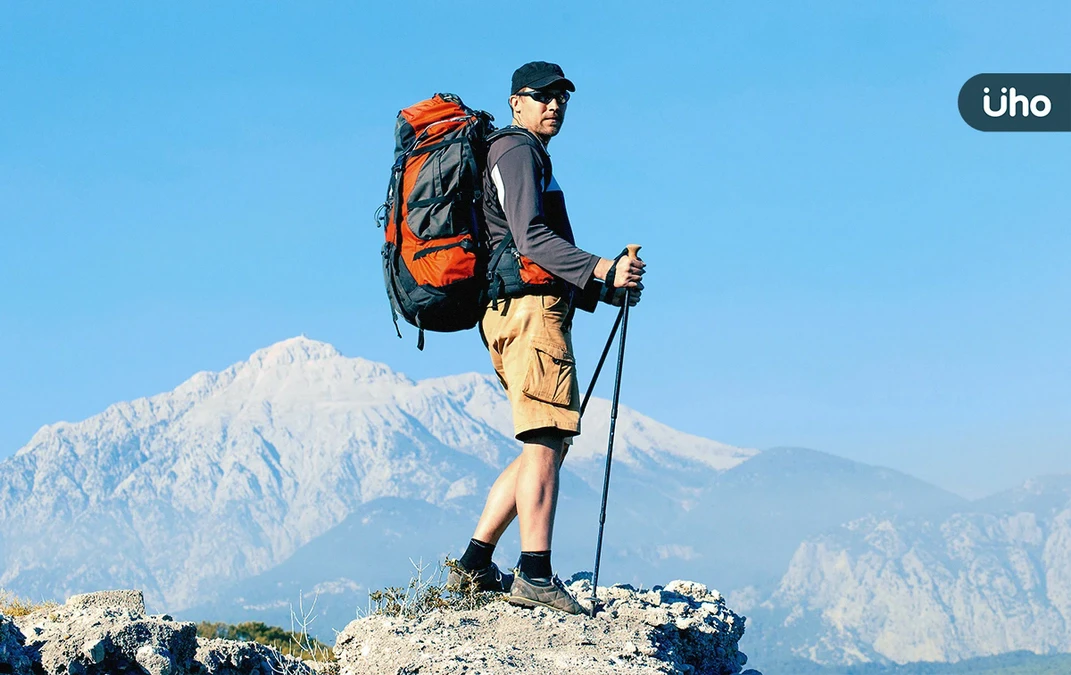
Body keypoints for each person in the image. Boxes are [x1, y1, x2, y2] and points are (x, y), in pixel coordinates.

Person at [446, 61, 646, 614]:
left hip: (521, 309)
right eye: (542, 96)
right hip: (529, 314)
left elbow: (535, 250)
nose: (554, 104)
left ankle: (473, 565)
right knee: (544, 437)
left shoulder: (526, 153)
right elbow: (531, 238)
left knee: (547, 440)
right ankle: (534, 573)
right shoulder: (515, 150)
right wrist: (603, 268)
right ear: (516, 102)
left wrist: (603, 288)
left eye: (562, 97)